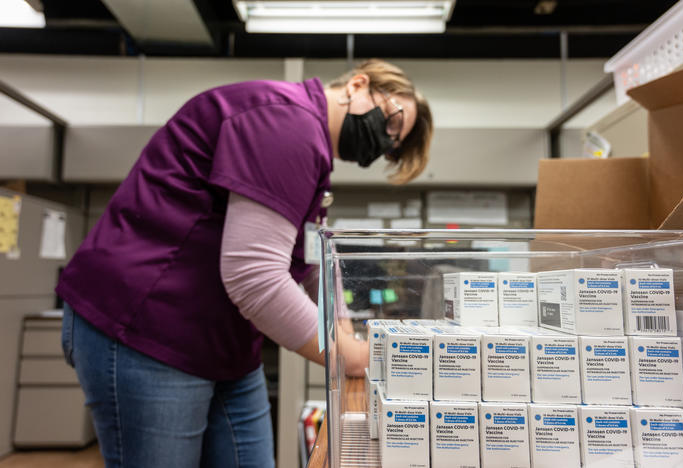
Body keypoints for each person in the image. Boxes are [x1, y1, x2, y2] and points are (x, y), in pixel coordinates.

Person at [56, 58, 433, 468]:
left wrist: (342, 324)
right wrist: (348, 355)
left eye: (394, 144)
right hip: (147, 329)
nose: (387, 141)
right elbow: (255, 276)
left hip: (220, 343)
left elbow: (309, 260)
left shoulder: (311, 151)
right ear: (359, 83)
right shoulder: (286, 124)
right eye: (394, 122)